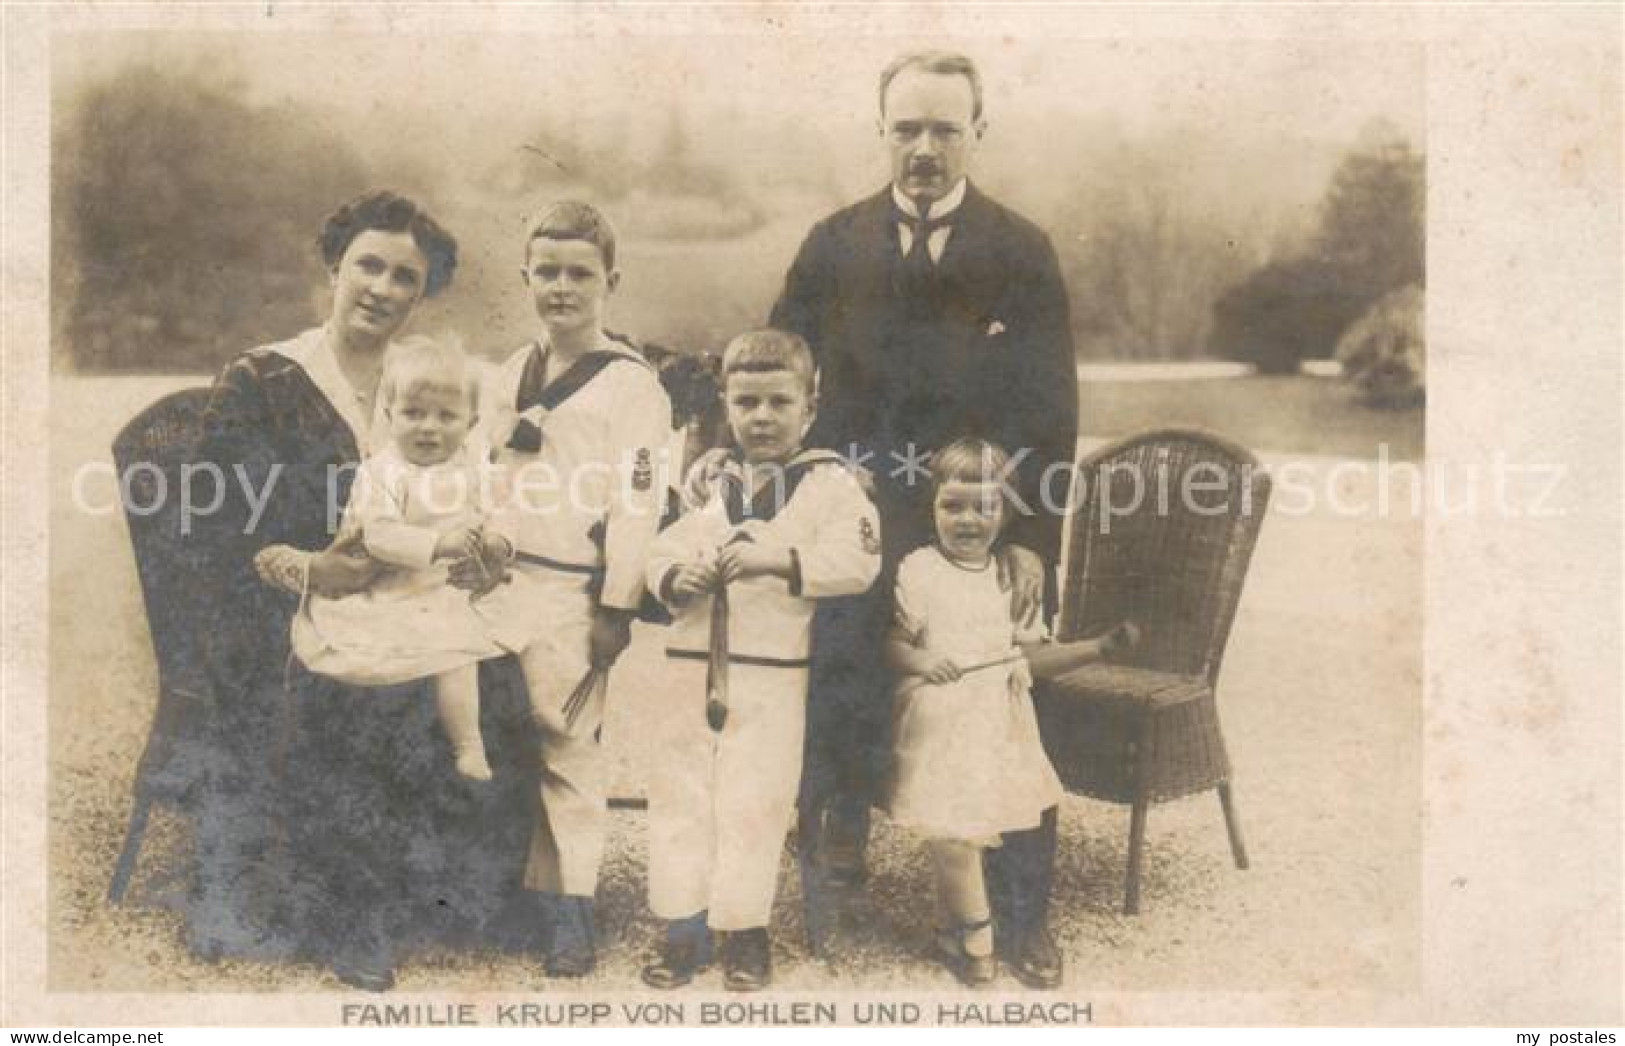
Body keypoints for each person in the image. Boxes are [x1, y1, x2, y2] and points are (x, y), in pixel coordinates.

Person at [767, 50, 1080, 986]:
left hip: (977, 523)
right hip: (857, 518)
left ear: (978, 133)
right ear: (881, 132)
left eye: (945, 128)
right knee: (838, 676)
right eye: (906, 128)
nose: (924, 149)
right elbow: (786, 379)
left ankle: (1021, 917)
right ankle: (833, 862)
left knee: (1002, 698)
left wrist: (1030, 537)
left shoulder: (1020, 251)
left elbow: (1050, 409)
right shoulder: (833, 244)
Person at [193, 190, 506, 991]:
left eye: (405, 276)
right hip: (286, 607)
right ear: (334, 267)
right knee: (366, 699)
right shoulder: (266, 377)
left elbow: (471, 500)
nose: (382, 287)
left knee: (489, 670)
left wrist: (477, 555)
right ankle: (350, 911)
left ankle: (465, 892)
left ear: (422, 292)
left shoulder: (433, 385)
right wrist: (308, 567)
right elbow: (215, 523)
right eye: (368, 264)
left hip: (412, 600)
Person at [639, 330, 881, 992]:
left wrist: (778, 558)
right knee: (682, 794)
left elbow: (858, 561)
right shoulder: (712, 482)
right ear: (726, 404)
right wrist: (675, 578)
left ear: (811, 405)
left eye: (779, 402)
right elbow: (662, 548)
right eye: (746, 402)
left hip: (772, 673)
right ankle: (681, 926)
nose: (762, 417)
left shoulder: (830, 485)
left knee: (754, 801)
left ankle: (744, 930)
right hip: (689, 663)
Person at [483, 200, 673, 978]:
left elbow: (639, 502)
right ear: (525, 275)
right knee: (503, 739)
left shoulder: (632, 388)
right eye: (547, 271)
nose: (561, 287)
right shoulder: (504, 375)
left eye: (579, 274)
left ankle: (573, 908)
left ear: (609, 281)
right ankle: (514, 893)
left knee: (568, 747)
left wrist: (618, 607)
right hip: (498, 583)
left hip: (571, 592)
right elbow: (483, 476)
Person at [885, 439, 1136, 985]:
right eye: (952, 506)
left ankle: (957, 933)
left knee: (967, 828)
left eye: (984, 506)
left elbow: (1030, 657)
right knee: (952, 831)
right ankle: (978, 942)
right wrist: (923, 660)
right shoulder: (920, 568)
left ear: (1006, 512)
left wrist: (1095, 648)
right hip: (941, 720)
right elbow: (894, 643)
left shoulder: (1009, 577)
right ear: (932, 508)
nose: (967, 520)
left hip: (997, 725)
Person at [281, 334, 535, 782]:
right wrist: (437, 544)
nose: (429, 428)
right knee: (443, 645)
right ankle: (449, 747)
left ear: (471, 421)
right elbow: (379, 536)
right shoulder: (381, 472)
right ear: (389, 414)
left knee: (469, 646)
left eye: (445, 416)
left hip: (450, 588)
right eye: (413, 414)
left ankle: (470, 745)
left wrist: (498, 543)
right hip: (392, 587)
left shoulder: (475, 467)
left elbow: (505, 511)